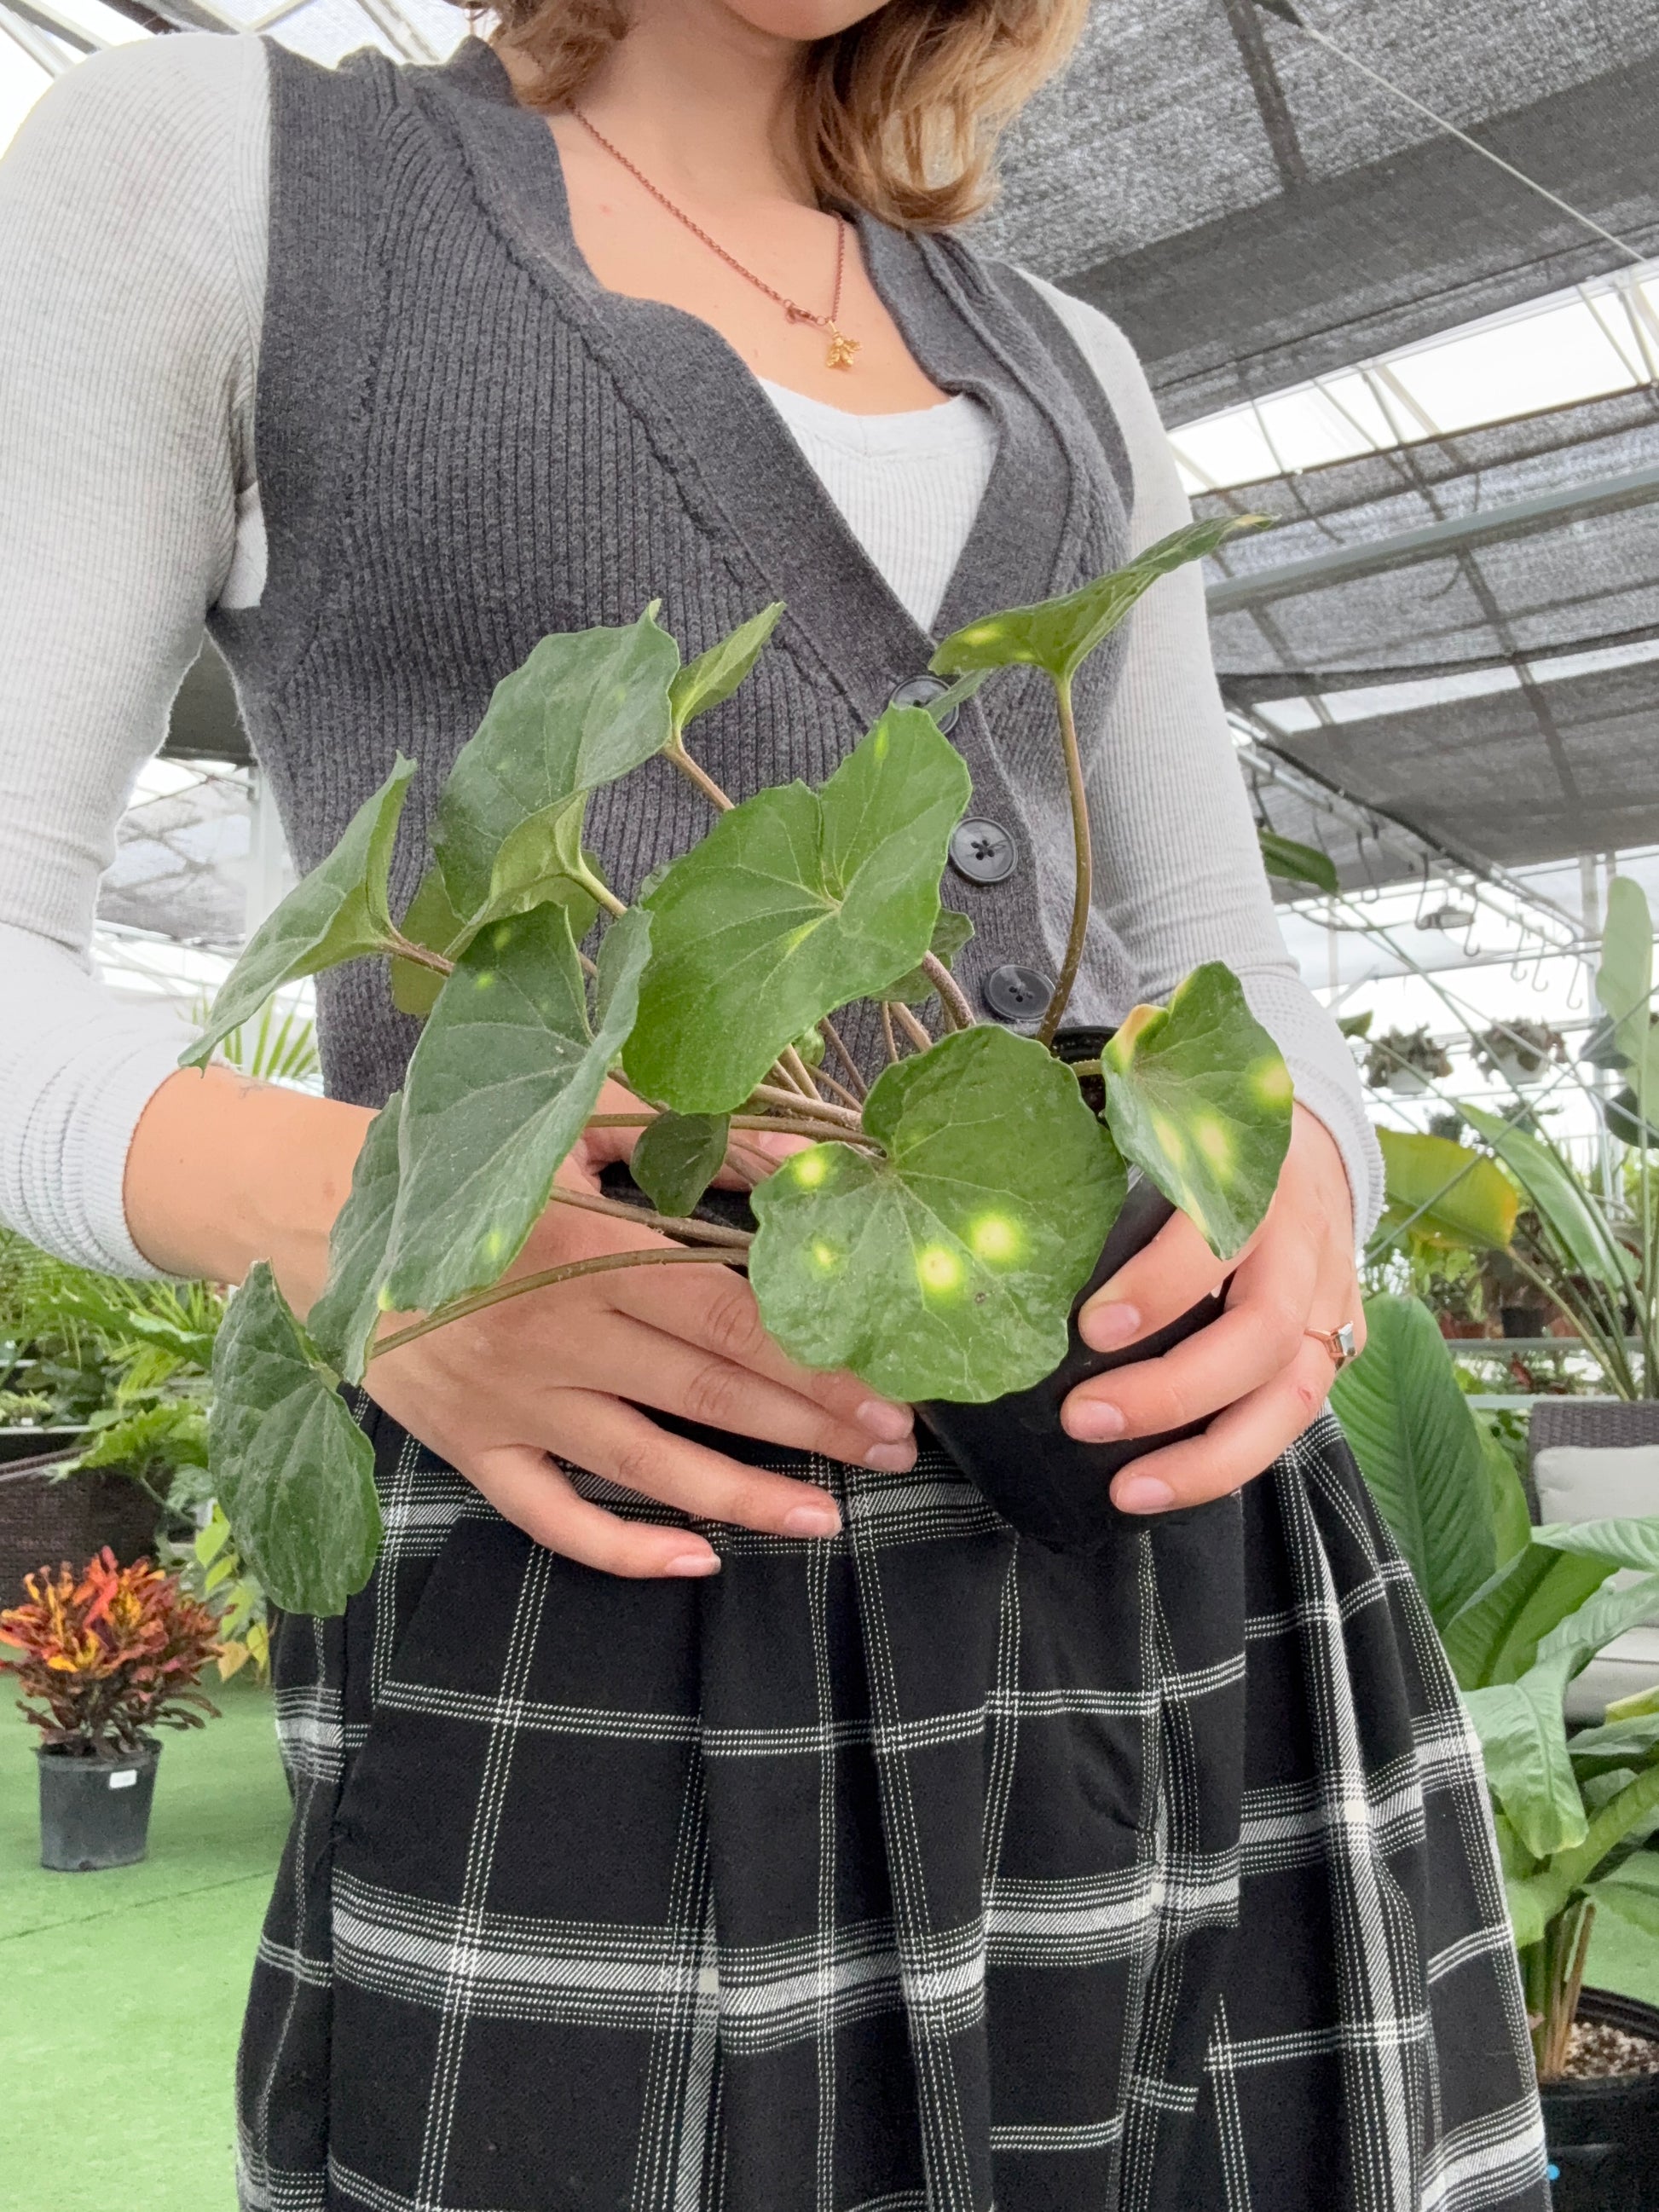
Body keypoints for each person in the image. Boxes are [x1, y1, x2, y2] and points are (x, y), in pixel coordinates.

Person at [0, 4, 1546, 2206]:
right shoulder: (225, 167)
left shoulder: (1059, 355)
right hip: (622, 1532)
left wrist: (1303, 1171)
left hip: (1179, 1521)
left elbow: (1219, 944)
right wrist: (370, 1224)